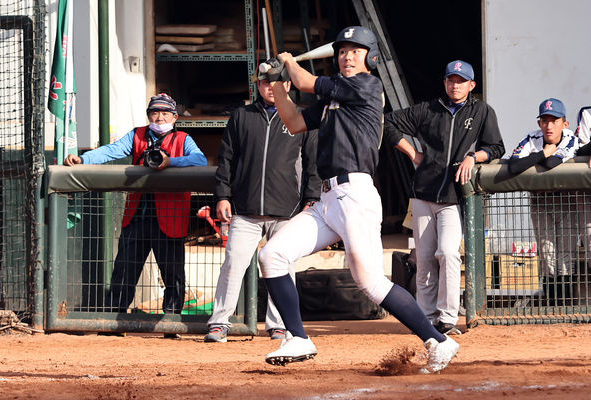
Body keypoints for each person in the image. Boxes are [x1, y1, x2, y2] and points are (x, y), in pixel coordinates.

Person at [257, 26, 459, 373]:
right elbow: (291, 121)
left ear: (370, 57)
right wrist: (276, 80)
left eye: (355, 50)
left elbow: (305, 83)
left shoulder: (366, 85)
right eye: (342, 51)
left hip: (355, 194)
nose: (347, 56)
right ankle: (298, 336)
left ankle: (439, 341)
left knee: (370, 282)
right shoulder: (335, 95)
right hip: (328, 199)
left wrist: (288, 61)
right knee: (273, 254)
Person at [63, 93, 208, 327]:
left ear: (174, 116)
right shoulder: (137, 134)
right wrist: (84, 159)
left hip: (170, 219)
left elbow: (200, 161)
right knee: (124, 270)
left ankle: (171, 321)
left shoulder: (184, 138)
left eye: (164, 113)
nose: (159, 117)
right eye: (154, 112)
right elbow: (111, 150)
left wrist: (170, 162)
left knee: (173, 273)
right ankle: (112, 320)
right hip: (136, 217)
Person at [385, 60, 505, 335]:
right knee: (425, 259)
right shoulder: (429, 109)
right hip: (422, 194)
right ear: (445, 82)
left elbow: (496, 147)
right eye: (451, 79)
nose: (455, 84)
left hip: (452, 197)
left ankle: (448, 319)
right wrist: (413, 153)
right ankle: (425, 319)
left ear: (471, 85)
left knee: (449, 254)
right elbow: (388, 122)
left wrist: (473, 157)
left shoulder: (482, 110)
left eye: (461, 80)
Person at [204, 74, 320, 343]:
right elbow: (226, 160)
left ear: (289, 86)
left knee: (283, 267)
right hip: (246, 209)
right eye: (266, 82)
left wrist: (311, 199)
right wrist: (223, 196)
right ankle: (220, 322)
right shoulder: (241, 116)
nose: (271, 88)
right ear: (257, 85)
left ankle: (278, 324)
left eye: (278, 82)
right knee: (233, 263)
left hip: (288, 209)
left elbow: (313, 164)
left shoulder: (304, 118)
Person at [509, 98, 579, 305]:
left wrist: (539, 158)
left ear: (564, 124)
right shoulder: (532, 137)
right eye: (545, 120)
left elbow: (551, 163)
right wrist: (542, 153)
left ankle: (566, 307)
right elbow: (513, 166)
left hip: (566, 201)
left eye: (554, 120)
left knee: (566, 257)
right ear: (539, 123)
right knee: (547, 256)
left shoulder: (570, 138)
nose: (549, 126)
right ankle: (551, 306)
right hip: (540, 200)